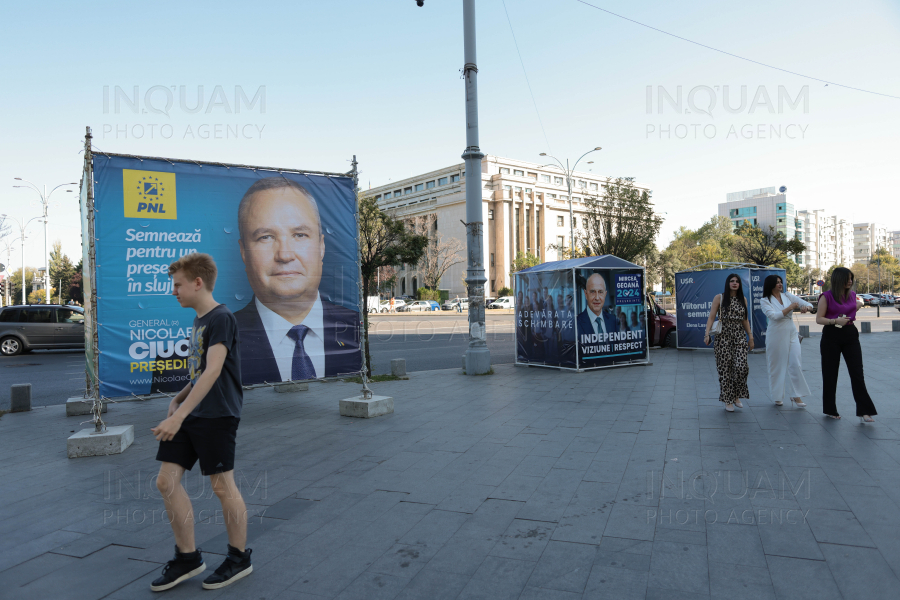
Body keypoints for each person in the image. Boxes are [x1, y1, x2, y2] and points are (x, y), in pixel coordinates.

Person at [151, 253, 252, 592]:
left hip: (218, 414)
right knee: (166, 482)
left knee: (223, 487)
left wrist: (178, 416)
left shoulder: (221, 317)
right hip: (193, 413)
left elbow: (213, 371)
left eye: (177, 285)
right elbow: (199, 374)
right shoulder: (200, 320)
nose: (173, 291)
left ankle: (239, 558)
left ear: (197, 283)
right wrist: (178, 398)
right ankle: (188, 557)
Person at [234, 178, 360, 384]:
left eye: (300, 235)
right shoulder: (207, 347)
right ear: (243, 252)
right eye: (266, 237)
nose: (284, 255)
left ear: (321, 247)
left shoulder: (356, 330)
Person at [815, 267, 876, 422]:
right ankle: (830, 409)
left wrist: (859, 305)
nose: (850, 281)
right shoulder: (826, 296)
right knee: (830, 374)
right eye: (847, 278)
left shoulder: (853, 295)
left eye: (851, 278)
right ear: (838, 280)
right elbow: (819, 319)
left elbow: (852, 308)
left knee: (857, 373)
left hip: (850, 335)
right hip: (831, 335)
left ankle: (865, 411)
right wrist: (835, 321)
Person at [760, 275, 813, 408]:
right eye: (777, 282)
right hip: (776, 334)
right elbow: (774, 316)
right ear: (770, 284)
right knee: (777, 366)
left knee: (796, 363)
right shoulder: (765, 300)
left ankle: (797, 395)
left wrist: (806, 307)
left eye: (780, 282)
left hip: (791, 333)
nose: (780, 284)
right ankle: (777, 396)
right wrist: (790, 308)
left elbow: (808, 304)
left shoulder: (788, 296)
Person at [704, 274, 754, 412]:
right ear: (728, 283)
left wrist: (750, 337)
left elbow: (745, 319)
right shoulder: (719, 297)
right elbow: (711, 317)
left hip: (739, 337)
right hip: (723, 337)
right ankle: (728, 399)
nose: (734, 283)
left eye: (737, 281)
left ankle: (736, 394)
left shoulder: (742, 299)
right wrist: (706, 334)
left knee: (741, 367)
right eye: (732, 281)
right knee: (725, 370)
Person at [576, 272, 618, 339]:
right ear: (586, 294)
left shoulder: (613, 321)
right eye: (593, 292)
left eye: (600, 292)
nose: (597, 298)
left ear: (605, 294)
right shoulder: (576, 324)